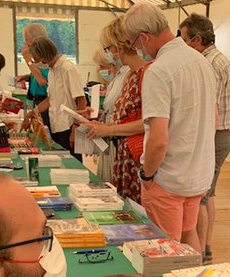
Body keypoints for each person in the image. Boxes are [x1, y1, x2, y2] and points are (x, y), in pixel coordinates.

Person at [122, 2, 216, 251]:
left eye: (133, 44)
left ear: (143, 38)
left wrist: (147, 175)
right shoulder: (202, 62)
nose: (136, 50)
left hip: (169, 177)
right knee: (188, 233)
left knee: (166, 246)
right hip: (197, 172)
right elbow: (213, 119)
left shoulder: (158, 71)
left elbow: (158, 138)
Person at [180, 14, 230, 264]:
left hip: (213, 136)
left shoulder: (208, 64)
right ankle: (206, 246)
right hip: (220, 136)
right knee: (208, 194)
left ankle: (199, 252)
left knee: (199, 196)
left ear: (197, 39)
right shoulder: (217, 59)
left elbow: (206, 107)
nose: (182, 46)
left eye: (184, 40)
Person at [85, 17, 148, 201]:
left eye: (108, 49)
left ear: (119, 46)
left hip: (137, 156)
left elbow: (147, 122)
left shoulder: (147, 74)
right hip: (123, 154)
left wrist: (109, 129)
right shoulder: (130, 75)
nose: (110, 54)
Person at [28, 37, 86, 162]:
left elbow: (81, 100)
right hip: (56, 125)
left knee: (72, 164)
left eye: (37, 59)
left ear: (44, 55)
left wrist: (75, 128)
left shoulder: (67, 69)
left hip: (68, 126)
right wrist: (32, 113)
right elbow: (51, 99)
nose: (36, 63)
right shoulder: (51, 70)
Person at [88, 45, 130, 183]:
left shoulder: (126, 76)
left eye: (102, 66)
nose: (100, 70)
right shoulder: (114, 81)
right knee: (105, 175)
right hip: (108, 131)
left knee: (112, 177)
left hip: (116, 134)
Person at [17, 23, 51, 128]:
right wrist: (28, 77)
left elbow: (42, 81)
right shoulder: (37, 59)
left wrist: (28, 60)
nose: (26, 43)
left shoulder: (46, 58)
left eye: (27, 40)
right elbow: (37, 74)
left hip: (45, 102)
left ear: (35, 39)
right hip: (35, 100)